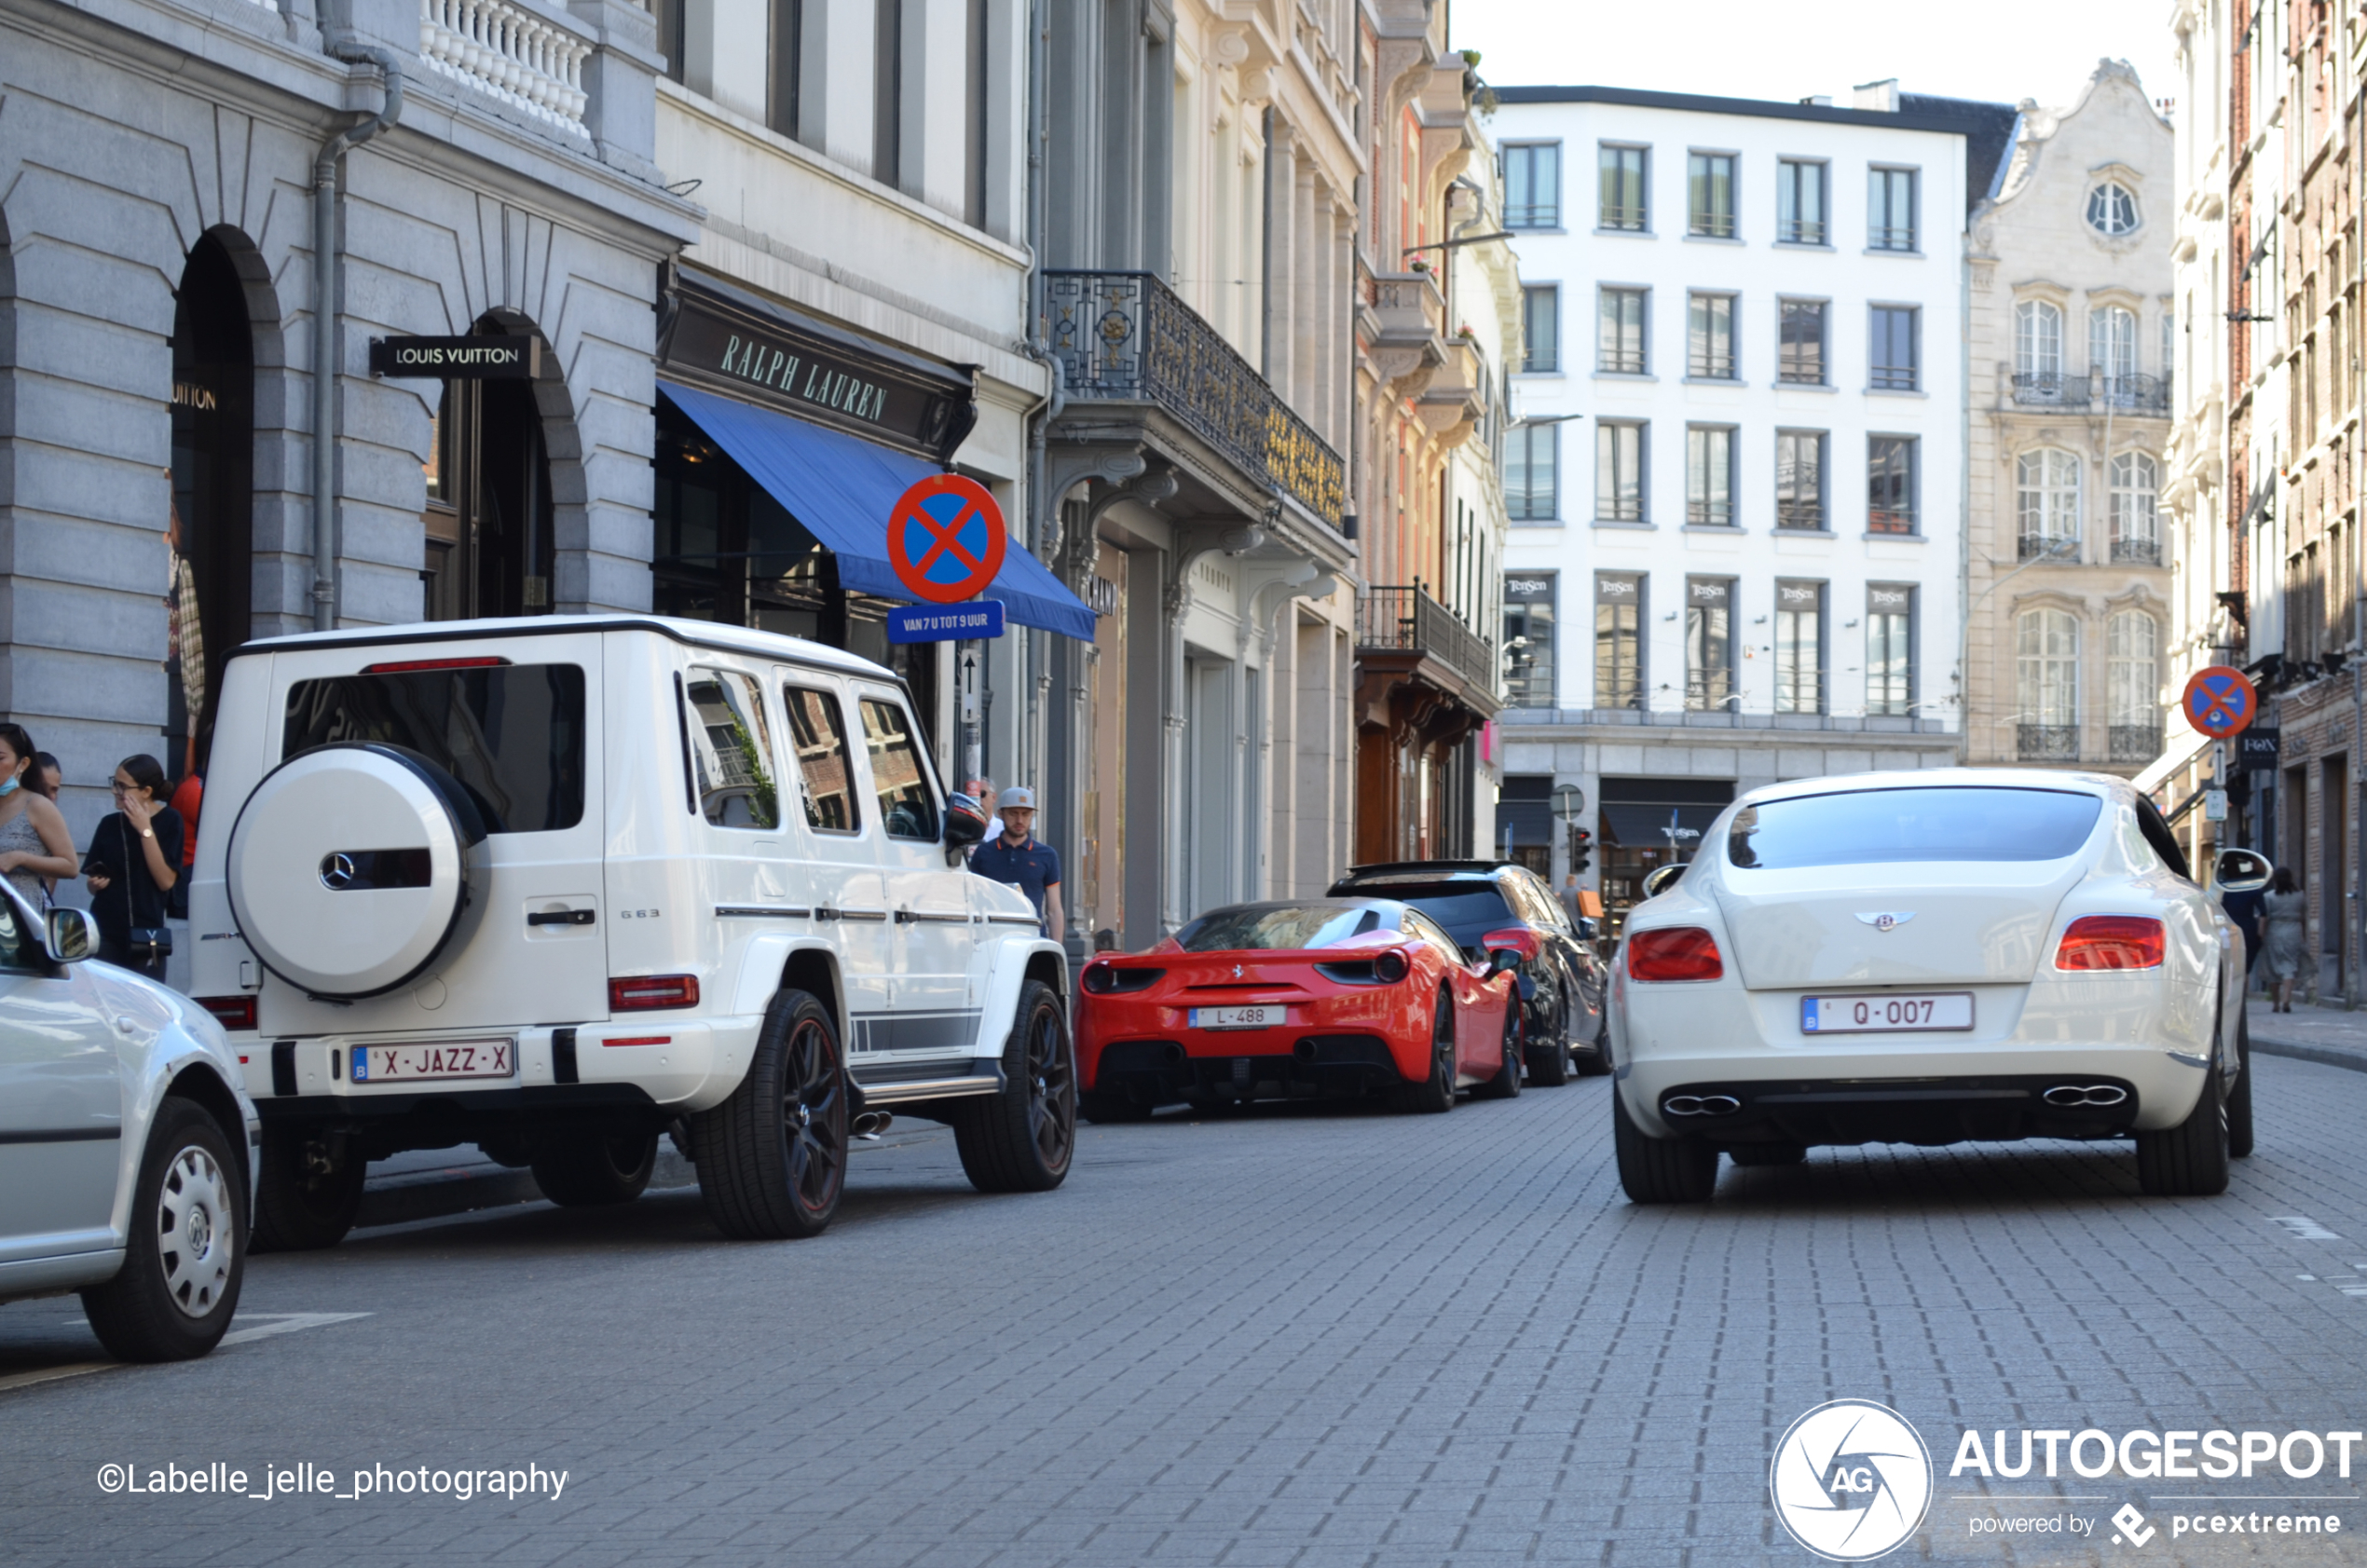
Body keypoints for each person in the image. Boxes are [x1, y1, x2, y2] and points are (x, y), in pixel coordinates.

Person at [82, 755, 185, 980]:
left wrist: (144, 829)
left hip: (146, 933)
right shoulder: (109, 824)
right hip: (105, 931)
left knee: (146, 1003)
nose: (114, 791)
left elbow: (165, 881)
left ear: (146, 791)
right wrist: (94, 884)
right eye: (114, 783)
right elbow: (92, 883)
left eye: (122, 786)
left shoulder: (170, 820)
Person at [968, 784, 1062, 940]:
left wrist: (1058, 951)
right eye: (1013, 814)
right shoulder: (983, 853)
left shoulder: (1047, 855)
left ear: (1032, 815)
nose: (1020, 820)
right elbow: (973, 902)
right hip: (991, 940)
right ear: (1001, 813)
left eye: (1025, 814)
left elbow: (1054, 910)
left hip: (1032, 941)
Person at [0, 725, 79, 909]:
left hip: (18, 918)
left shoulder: (37, 805)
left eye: (0, 758)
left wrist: (20, 858)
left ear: (23, 764)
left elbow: (70, 866)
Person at [2261, 866, 2306, 1013]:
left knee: (2274, 968)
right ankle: (2286, 1000)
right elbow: (2303, 914)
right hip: (2294, 930)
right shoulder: (2300, 895)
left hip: (2274, 931)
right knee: (2290, 965)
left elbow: (2265, 917)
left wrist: (2261, 934)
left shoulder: (2269, 897)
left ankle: (2275, 1004)